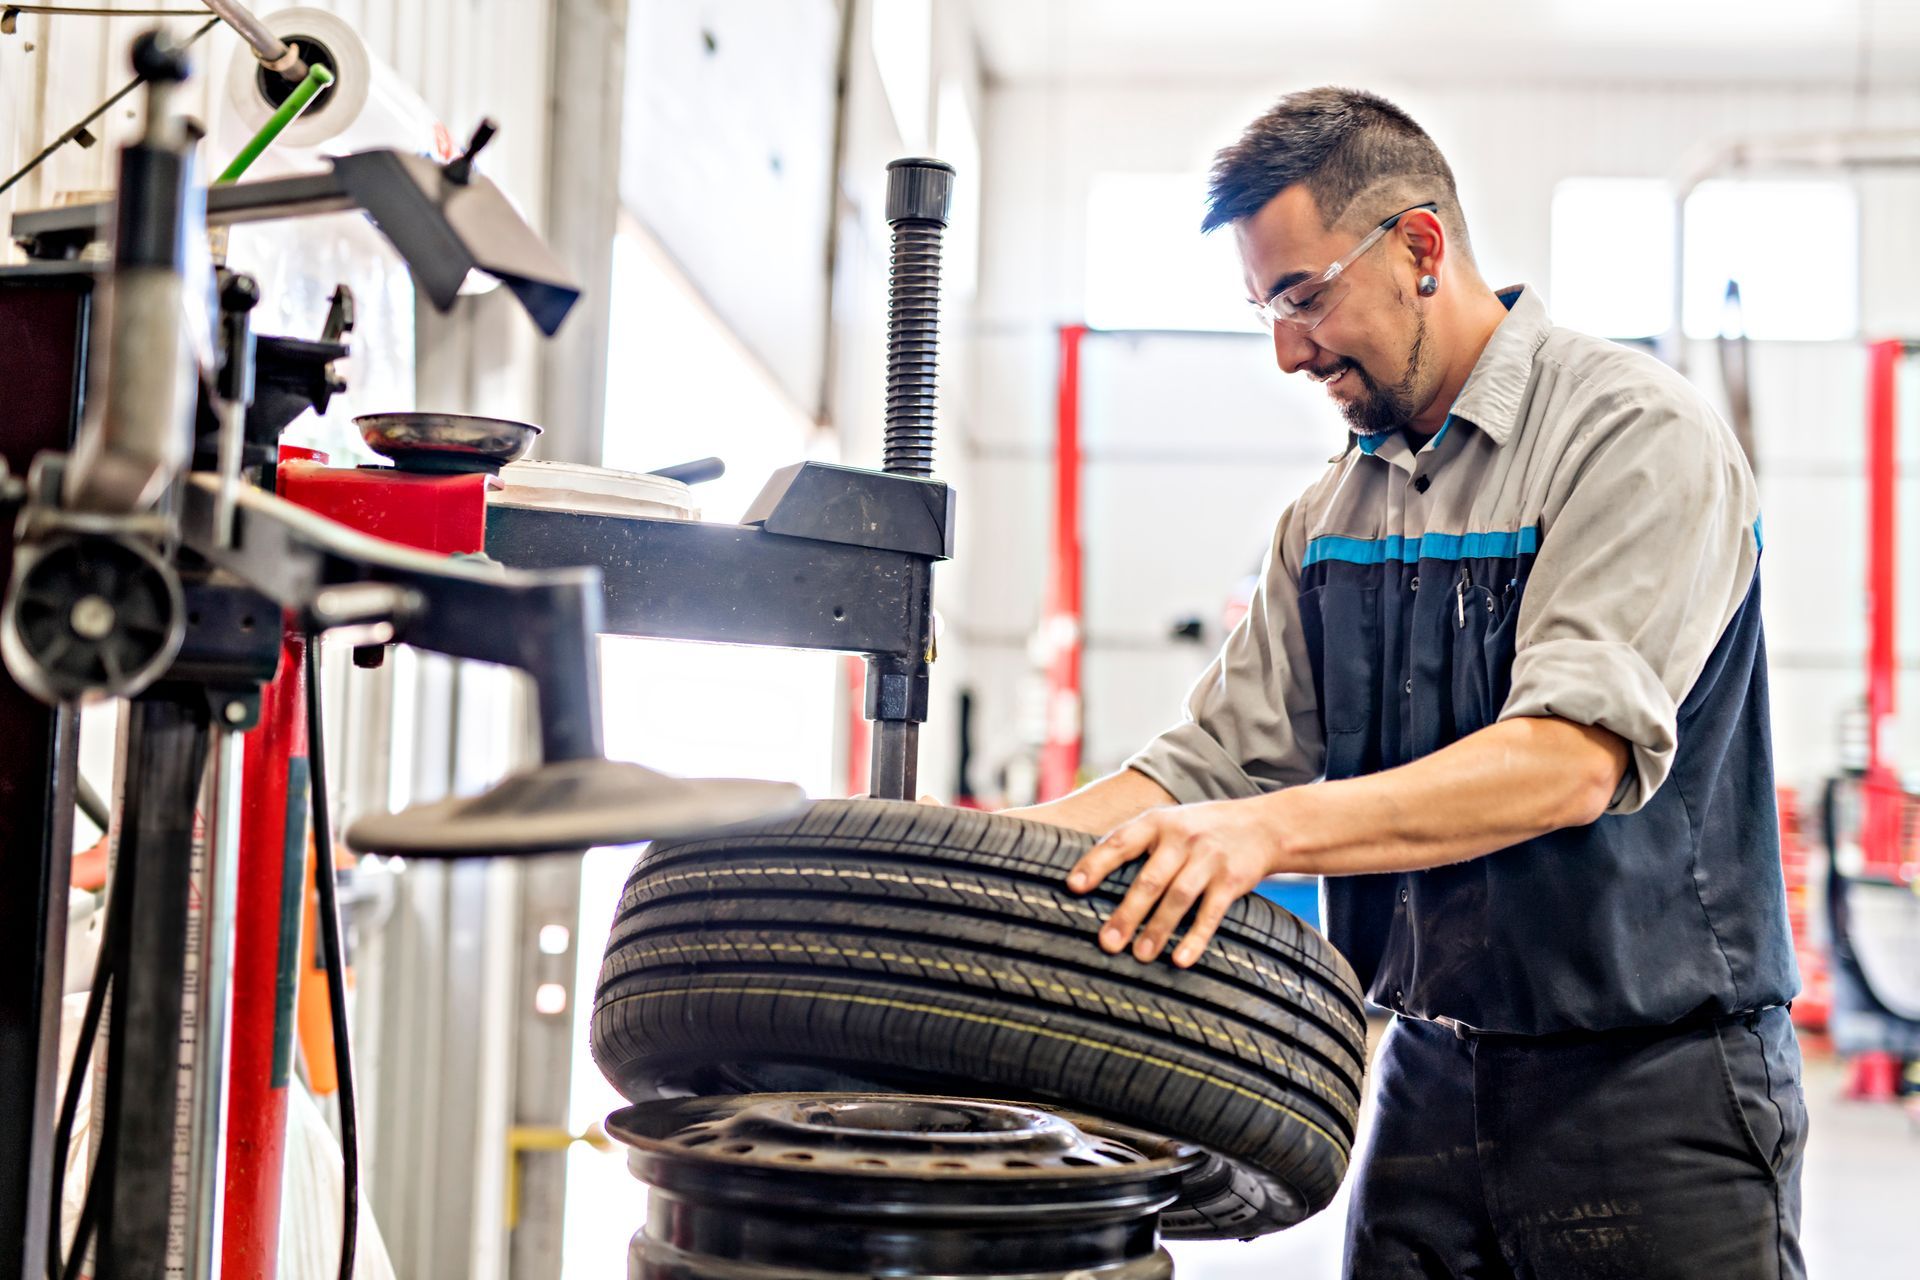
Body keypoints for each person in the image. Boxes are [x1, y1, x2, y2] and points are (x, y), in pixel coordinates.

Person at [1010, 87, 1805, 1279]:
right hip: (1425, 1075)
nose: (1287, 349)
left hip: (1655, 1088)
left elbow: (1567, 756)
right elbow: (1203, 766)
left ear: (1419, 247)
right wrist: (969, 867)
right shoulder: (1329, 517)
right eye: (1264, 309)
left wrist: (1261, 834)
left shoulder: (1634, 434)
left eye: (1302, 295)